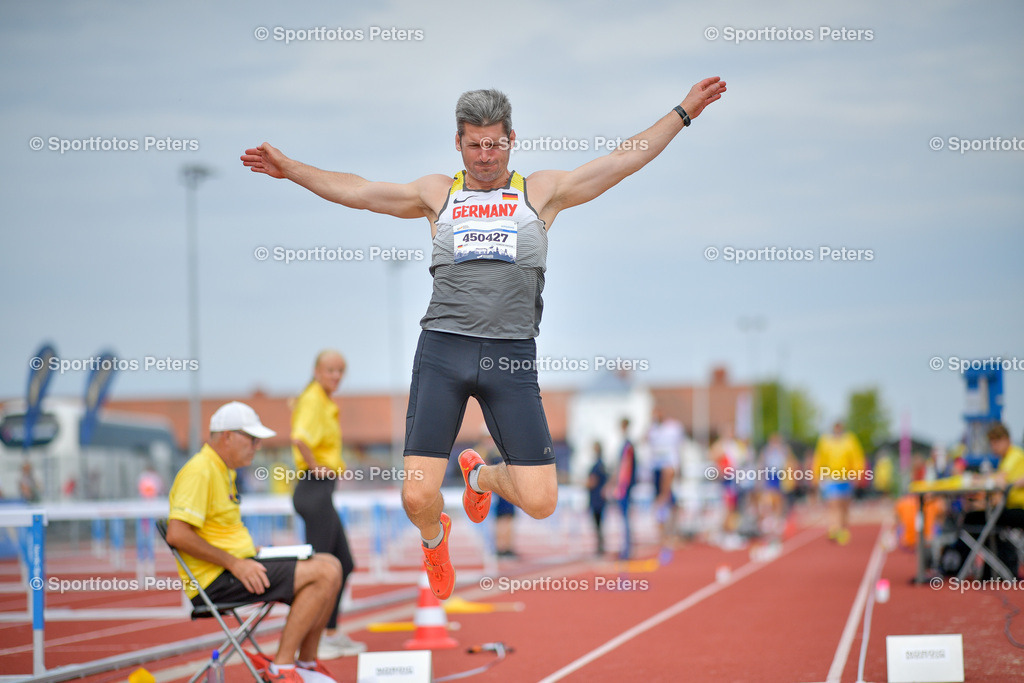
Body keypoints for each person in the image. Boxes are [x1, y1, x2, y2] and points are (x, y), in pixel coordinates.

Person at [241, 77, 727, 598]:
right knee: (416, 495)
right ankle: (435, 539)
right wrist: (290, 168)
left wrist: (683, 112)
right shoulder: (438, 194)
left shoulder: (539, 192)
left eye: (495, 143)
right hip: (443, 351)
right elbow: (359, 191)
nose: (486, 155)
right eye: (475, 144)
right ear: (459, 143)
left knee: (542, 502)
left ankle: (480, 478)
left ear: (511, 139)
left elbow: (620, 161)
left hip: (511, 356)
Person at [166, 402, 342, 683]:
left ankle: (306, 664)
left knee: (332, 563)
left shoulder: (223, 470)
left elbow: (220, 531)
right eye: (252, 439)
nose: (257, 446)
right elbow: (177, 534)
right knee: (324, 573)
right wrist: (236, 563)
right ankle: (281, 668)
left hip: (237, 565)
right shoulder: (200, 470)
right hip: (217, 579)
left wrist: (252, 553)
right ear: (227, 436)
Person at [290, 350, 365, 658]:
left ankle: (329, 632)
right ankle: (311, 639)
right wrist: (316, 465)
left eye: (340, 371)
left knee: (343, 564)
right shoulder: (313, 398)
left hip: (322, 492)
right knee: (321, 571)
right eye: (330, 370)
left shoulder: (323, 400)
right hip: (313, 489)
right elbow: (299, 437)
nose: (336, 376)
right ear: (317, 370)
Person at [963, 422, 1024, 578]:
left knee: (973, 519)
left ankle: (1001, 564)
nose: (993, 447)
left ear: (1006, 439)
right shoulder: (1005, 459)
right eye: (991, 443)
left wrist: (978, 480)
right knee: (975, 516)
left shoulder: (1014, 455)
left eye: (995, 442)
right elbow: (998, 494)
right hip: (1010, 508)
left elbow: (1000, 481)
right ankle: (999, 564)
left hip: (1018, 510)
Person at [812, 421, 866, 545]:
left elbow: (857, 457)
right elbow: (819, 458)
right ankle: (834, 528)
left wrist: (858, 474)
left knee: (844, 505)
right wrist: (816, 475)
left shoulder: (850, 440)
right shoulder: (825, 441)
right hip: (831, 477)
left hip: (846, 477)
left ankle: (843, 528)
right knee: (833, 503)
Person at [647, 409, 683, 561]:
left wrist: (676, 468)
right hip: (658, 469)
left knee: (669, 503)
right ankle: (664, 536)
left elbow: (677, 450)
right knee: (661, 504)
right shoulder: (652, 431)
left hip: (668, 468)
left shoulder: (672, 429)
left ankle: (671, 534)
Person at [613, 418, 638, 560]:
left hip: (625, 486)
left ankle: (627, 549)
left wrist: (621, 486)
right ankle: (626, 548)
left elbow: (625, 468)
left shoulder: (628, 446)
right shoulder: (627, 445)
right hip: (625, 485)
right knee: (624, 519)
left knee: (625, 519)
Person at [586, 441, 608, 556]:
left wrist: (583, 483)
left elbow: (592, 482)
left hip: (595, 499)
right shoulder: (602, 465)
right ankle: (601, 546)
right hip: (601, 499)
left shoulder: (596, 466)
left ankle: (600, 548)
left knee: (597, 525)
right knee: (600, 524)